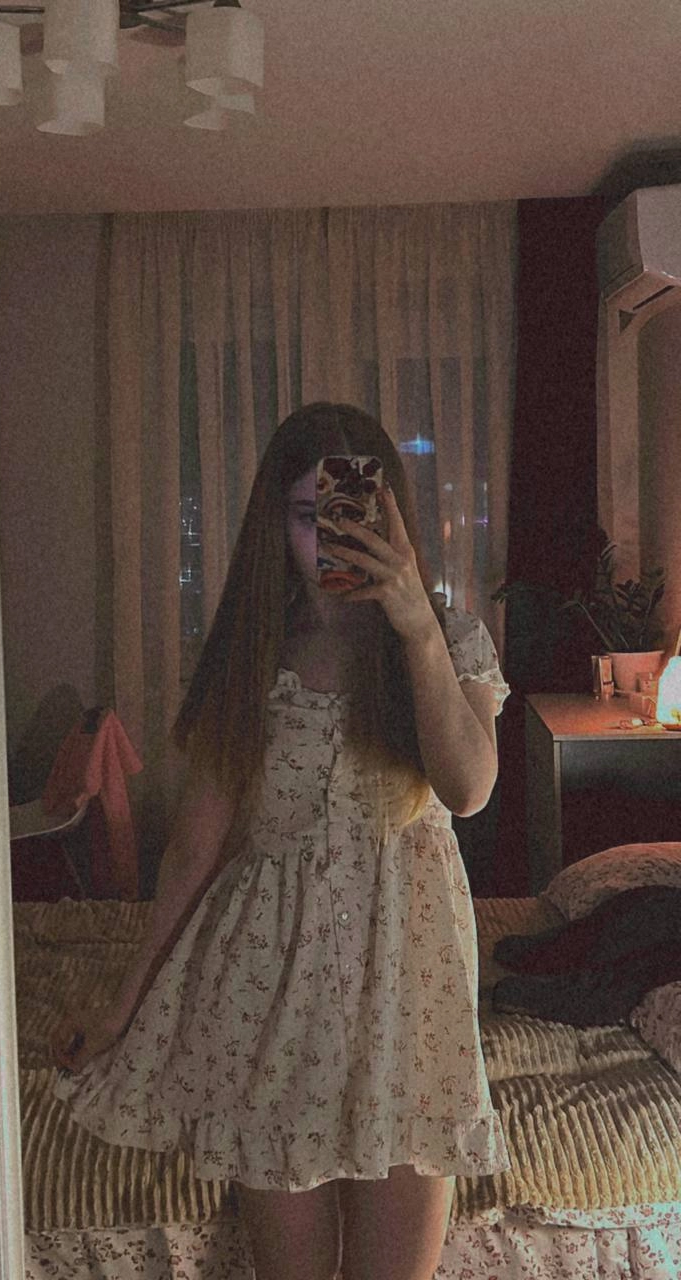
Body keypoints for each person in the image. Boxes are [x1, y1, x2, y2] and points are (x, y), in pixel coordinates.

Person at [51, 402, 511, 1280]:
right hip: (268, 1000)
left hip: (408, 1007)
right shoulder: (254, 652)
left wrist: (415, 626)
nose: (331, 536)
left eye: (355, 512)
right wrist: (121, 1004)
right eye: (308, 515)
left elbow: (470, 788)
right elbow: (194, 850)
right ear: (277, 524)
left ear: (392, 513)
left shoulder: (449, 642)